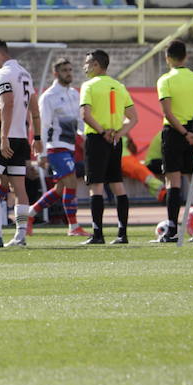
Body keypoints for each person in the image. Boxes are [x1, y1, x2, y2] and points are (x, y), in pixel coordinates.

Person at [78, 49, 138, 245]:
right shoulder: (119, 86)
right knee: (117, 184)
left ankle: (98, 234)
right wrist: (118, 133)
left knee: (96, 186)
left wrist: (103, 132)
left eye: (87, 63)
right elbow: (134, 118)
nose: (84, 67)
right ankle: (122, 233)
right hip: (115, 140)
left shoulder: (89, 86)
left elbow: (85, 115)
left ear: (96, 65)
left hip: (97, 139)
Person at [0, 37, 39, 247]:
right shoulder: (25, 73)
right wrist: (38, 137)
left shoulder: (4, 73)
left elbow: (6, 105)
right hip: (21, 136)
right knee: (18, 187)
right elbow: (34, 108)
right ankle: (20, 235)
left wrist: (3, 138)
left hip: (5, 137)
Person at [154, 40, 193, 243]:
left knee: (173, 182)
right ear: (186, 57)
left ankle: (172, 231)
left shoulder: (165, 80)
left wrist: (185, 134)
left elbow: (167, 113)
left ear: (167, 58)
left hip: (174, 133)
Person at [30, 58, 85, 236]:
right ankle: (74, 227)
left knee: (60, 189)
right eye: (64, 70)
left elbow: (79, 122)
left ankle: (30, 213)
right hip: (55, 147)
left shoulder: (75, 94)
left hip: (69, 147)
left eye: (70, 70)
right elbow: (43, 125)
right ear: (56, 73)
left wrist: (86, 137)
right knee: (71, 183)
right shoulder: (48, 96)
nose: (69, 73)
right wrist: (42, 153)